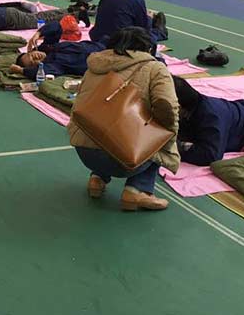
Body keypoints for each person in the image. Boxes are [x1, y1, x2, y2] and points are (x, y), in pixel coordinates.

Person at [69, 27, 179, 211]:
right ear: (148, 47)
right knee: (160, 137)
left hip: (84, 150)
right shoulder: (155, 68)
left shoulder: (94, 65)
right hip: (124, 157)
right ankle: (137, 189)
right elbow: (168, 109)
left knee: (103, 126)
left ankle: (97, 178)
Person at [12, 18, 105, 80]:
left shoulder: (48, 46)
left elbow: (57, 26)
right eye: (32, 62)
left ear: (33, 50)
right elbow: (38, 73)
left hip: (100, 44)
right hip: (103, 60)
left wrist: (39, 33)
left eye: (31, 55)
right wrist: (21, 70)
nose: (35, 57)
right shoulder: (53, 65)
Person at [89, 0, 166, 45]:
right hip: (121, 40)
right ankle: (160, 31)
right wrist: (149, 18)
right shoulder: (137, 0)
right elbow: (144, 28)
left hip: (99, 38)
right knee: (147, 35)